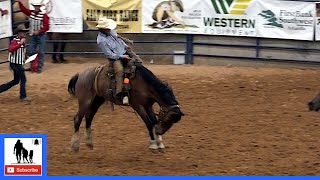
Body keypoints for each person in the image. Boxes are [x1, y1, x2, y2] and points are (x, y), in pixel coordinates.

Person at [96, 18, 141, 105]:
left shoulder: (111, 32)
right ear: (102, 29)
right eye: (107, 28)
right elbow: (109, 54)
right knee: (119, 71)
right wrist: (122, 56)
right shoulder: (101, 40)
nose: (109, 29)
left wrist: (125, 46)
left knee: (138, 62)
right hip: (115, 58)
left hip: (124, 51)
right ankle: (120, 92)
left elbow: (118, 40)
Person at [17, 0, 49, 73]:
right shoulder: (32, 13)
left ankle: (39, 68)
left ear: (39, 7)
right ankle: (32, 67)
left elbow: (46, 27)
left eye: (37, 6)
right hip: (34, 36)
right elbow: (23, 10)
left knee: (41, 52)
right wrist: (20, 2)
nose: (36, 7)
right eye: (35, 6)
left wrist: (39, 31)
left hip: (41, 36)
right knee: (32, 51)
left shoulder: (43, 15)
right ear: (34, 7)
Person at [0, 24, 29, 101]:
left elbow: (22, 50)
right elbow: (11, 49)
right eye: (23, 32)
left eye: (24, 32)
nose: (24, 34)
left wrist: (26, 56)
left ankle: (1, 89)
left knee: (16, 81)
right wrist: (20, 44)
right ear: (19, 33)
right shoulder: (15, 41)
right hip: (15, 64)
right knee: (23, 79)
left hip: (17, 63)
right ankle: (23, 96)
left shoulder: (22, 41)